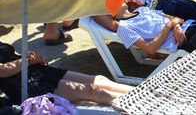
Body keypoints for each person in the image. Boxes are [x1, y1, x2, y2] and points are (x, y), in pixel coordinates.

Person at [0, 42, 131, 107]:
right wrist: (28, 60)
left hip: (36, 72)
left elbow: (10, 57)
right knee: (93, 92)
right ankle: (136, 106)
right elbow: (3, 71)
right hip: (27, 87)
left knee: (99, 81)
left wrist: (30, 56)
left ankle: (143, 94)